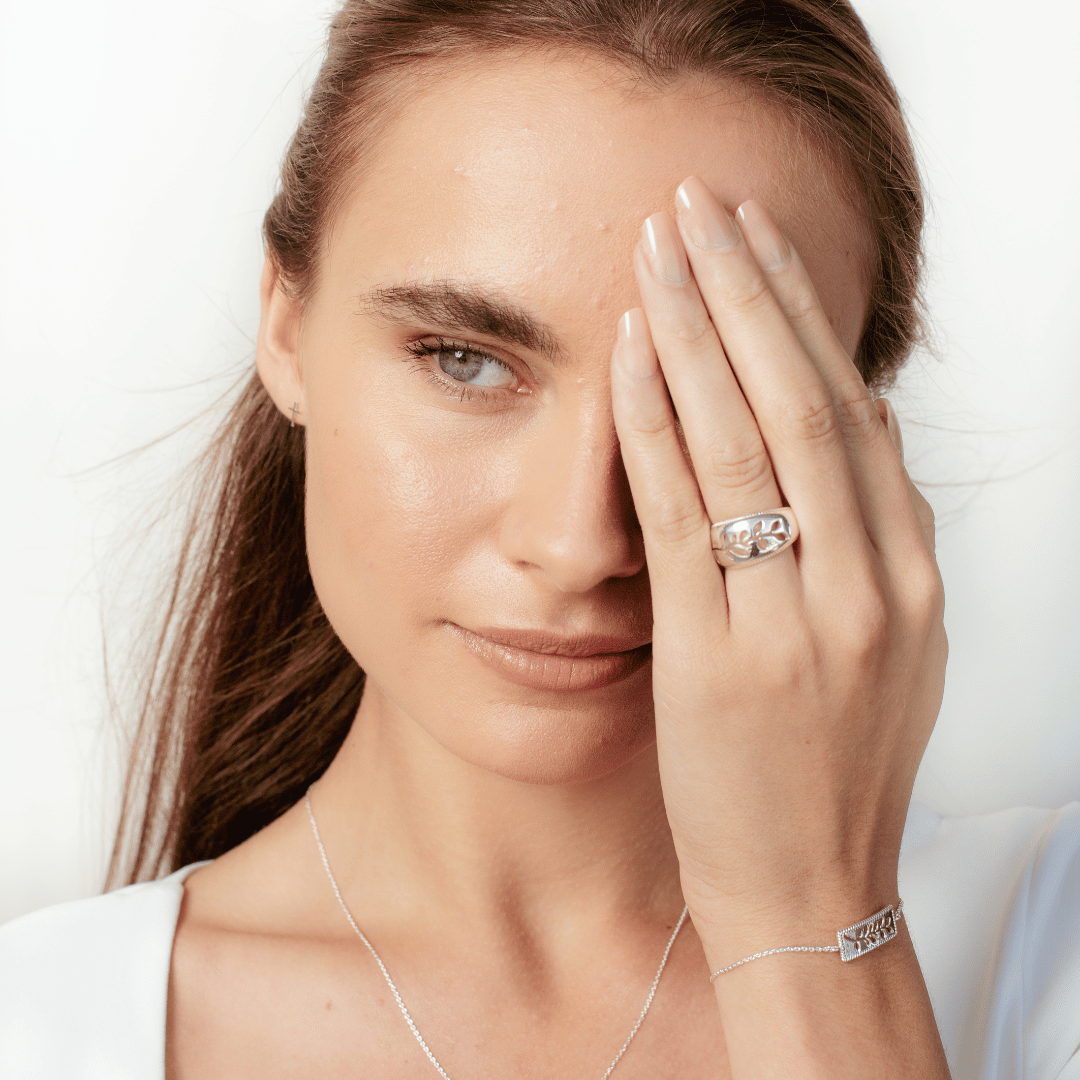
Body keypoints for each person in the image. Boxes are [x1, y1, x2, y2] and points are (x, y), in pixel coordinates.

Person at [2, 0, 1078, 1077]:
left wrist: (806, 925)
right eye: (463, 361)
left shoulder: (1052, 948)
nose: (581, 543)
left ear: (857, 423)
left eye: (717, 396)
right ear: (285, 323)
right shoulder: (39, 1025)